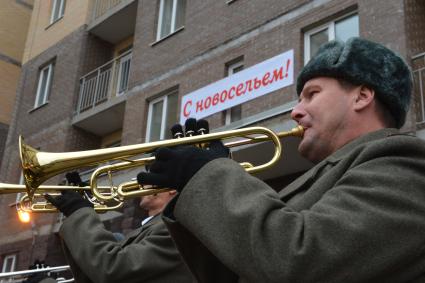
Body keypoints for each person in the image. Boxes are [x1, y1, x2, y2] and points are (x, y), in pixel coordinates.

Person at [137, 37, 425, 282]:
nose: (295, 112)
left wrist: (212, 174)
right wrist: (194, 188)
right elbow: (235, 274)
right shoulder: (331, 176)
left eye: (311, 94)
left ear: (361, 96)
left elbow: (299, 261)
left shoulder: (403, 163)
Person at [44, 172, 194, 283]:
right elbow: (93, 278)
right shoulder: (148, 227)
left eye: (149, 180)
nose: (141, 185)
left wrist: (79, 212)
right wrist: (77, 214)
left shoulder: (174, 227)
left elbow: (112, 269)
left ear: (171, 189)